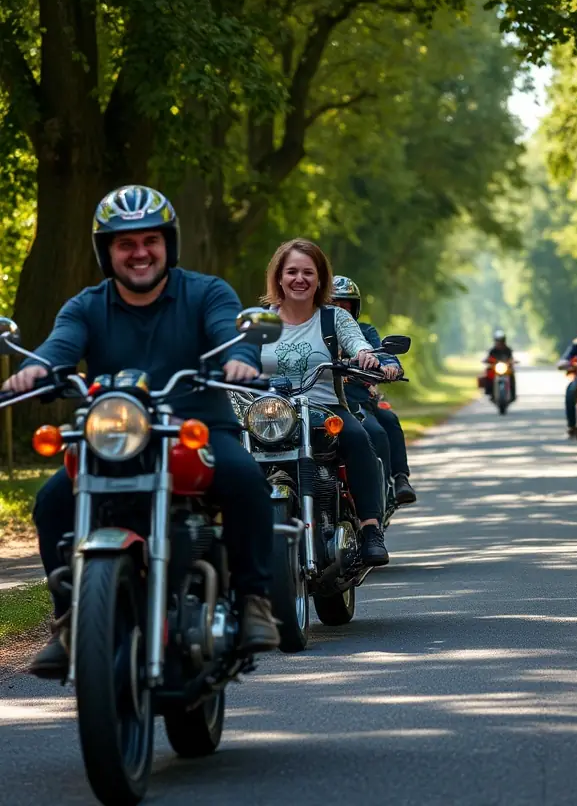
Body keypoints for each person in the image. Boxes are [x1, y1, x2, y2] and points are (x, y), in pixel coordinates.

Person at [2, 185, 280, 677]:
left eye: (149, 240)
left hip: (197, 428)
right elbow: (59, 347)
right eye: (124, 243)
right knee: (51, 502)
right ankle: (69, 617)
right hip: (113, 438)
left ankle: (254, 599)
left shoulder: (206, 292)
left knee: (244, 479)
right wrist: (35, 371)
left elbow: (226, 332)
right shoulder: (87, 305)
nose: (139, 253)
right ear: (107, 252)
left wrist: (240, 360)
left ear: (167, 245)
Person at [259, 241, 391, 564]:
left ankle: (371, 528)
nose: (299, 279)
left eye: (308, 272)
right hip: (270, 416)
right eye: (291, 272)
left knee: (360, 439)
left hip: (325, 410)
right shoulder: (262, 320)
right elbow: (234, 354)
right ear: (278, 277)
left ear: (320, 280)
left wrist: (364, 355)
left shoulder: (334, 319)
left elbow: (357, 342)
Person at [331, 275, 417, 506]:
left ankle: (391, 484)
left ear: (354, 307)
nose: (339, 310)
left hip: (358, 399)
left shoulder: (364, 331)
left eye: (344, 305)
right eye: (333, 305)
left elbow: (381, 353)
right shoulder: (314, 331)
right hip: (321, 400)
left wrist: (390, 367)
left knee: (382, 425)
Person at [484, 328, 516, 400]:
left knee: (512, 374)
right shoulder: (492, 350)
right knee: (488, 372)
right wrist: (487, 360)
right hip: (495, 369)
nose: (500, 342)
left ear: (504, 341)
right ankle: (489, 391)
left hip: (506, 368)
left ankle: (513, 394)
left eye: (501, 341)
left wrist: (512, 361)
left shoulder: (508, 350)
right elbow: (488, 358)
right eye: (498, 341)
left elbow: (511, 358)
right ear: (495, 341)